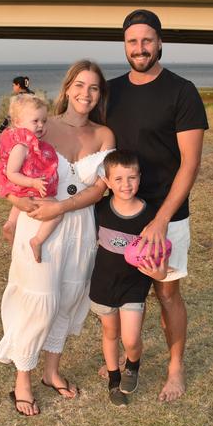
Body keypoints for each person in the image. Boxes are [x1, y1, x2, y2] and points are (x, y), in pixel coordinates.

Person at [0, 60, 115, 416]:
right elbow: (9, 178)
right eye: (79, 85)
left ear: (100, 94)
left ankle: (51, 372)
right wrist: (17, 208)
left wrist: (62, 208)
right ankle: (23, 382)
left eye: (93, 87)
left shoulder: (106, 135)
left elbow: (99, 190)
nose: (85, 94)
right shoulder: (41, 125)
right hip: (39, 226)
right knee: (40, 300)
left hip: (79, 227)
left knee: (68, 298)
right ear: (67, 87)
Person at [107, 9, 208, 402]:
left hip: (167, 215)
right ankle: (124, 357)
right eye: (132, 41)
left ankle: (175, 368)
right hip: (120, 213)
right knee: (125, 292)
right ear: (125, 46)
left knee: (166, 294)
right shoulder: (111, 92)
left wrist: (162, 218)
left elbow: (191, 163)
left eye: (147, 40)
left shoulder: (182, 92)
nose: (140, 48)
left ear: (160, 43)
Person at [90, 151, 168, 406]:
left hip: (134, 287)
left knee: (131, 338)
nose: (126, 184)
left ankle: (132, 365)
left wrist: (156, 272)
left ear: (140, 178)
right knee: (110, 333)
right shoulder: (98, 209)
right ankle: (113, 380)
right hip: (103, 285)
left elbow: (161, 268)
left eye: (132, 178)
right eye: (119, 179)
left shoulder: (150, 216)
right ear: (107, 182)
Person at [0, 94, 60, 262]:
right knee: (58, 211)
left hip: (24, 188)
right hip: (27, 187)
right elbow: (11, 173)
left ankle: (11, 223)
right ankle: (37, 240)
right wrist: (33, 182)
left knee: (20, 203)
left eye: (44, 121)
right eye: (35, 121)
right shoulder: (21, 146)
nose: (40, 125)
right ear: (18, 122)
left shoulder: (28, 142)